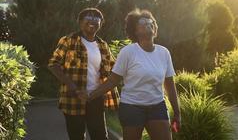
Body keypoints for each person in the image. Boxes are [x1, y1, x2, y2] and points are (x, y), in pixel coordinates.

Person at [89, 9, 181, 140]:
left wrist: (177, 113)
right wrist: (90, 95)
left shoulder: (164, 52)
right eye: (143, 22)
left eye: (151, 22)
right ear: (135, 31)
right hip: (132, 107)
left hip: (157, 106)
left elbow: (170, 85)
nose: (149, 24)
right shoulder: (128, 52)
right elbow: (113, 80)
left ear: (155, 29)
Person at [48, 8, 119, 140]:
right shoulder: (68, 40)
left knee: (100, 136)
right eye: (88, 18)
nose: (92, 21)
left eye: (96, 19)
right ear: (80, 22)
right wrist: (74, 88)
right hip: (73, 98)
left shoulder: (103, 45)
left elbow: (114, 69)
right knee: (77, 136)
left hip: (95, 97)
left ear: (101, 23)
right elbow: (53, 64)